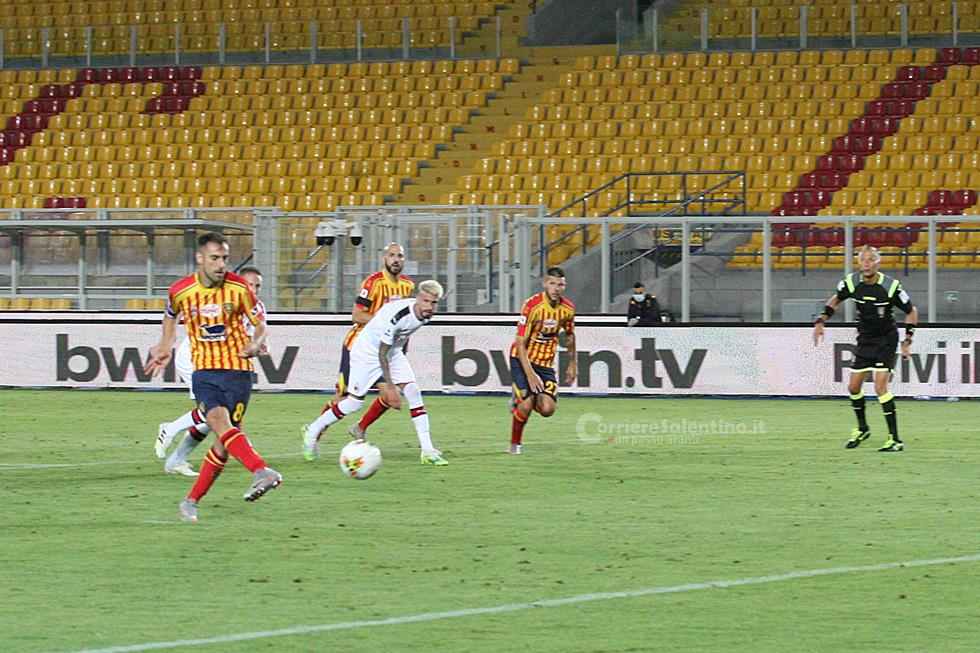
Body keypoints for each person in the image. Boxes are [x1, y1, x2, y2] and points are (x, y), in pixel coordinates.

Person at [144, 232, 282, 523]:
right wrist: (165, 344)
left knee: (223, 441)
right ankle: (261, 470)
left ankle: (191, 502)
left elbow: (260, 324)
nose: (221, 264)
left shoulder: (239, 287)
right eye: (215, 258)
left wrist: (256, 343)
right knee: (217, 421)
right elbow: (170, 314)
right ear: (200, 258)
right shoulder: (181, 290)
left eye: (225, 259)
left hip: (238, 372)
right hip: (204, 371)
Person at [301, 280, 448, 466]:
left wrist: (401, 368)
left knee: (413, 391)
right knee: (354, 403)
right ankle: (313, 430)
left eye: (434, 303)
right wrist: (391, 386)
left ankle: (427, 450)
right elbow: (381, 352)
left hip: (393, 352)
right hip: (368, 353)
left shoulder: (426, 314)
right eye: (426, 301)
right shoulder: (400, 316)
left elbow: (400, 339)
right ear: (418, 298)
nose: (430, 306)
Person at [302, 242, 414, 461]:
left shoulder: (407, 286)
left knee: (391, 396)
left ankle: (360, 427)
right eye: (392, 255)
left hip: (384, 351)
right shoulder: (373, 283)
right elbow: (357, 315)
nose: (396, 259)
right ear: (384, 258)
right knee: (344, 398)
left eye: (400, 256)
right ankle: (313, 433)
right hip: (359, 347)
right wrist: (383, 324)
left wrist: (399, 348)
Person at [154, 266, 267, 477]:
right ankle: (171, 431)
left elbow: (255, 332)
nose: (254, 289)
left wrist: (257, 344)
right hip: (196, 357)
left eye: (258, 286)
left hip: (222, 363)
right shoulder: (223, 296)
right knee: (215, 414)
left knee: (217, 417)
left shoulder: (256, 306)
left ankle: (177, 459)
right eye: (250, 284)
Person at [813, 245, 917, 452]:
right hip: (865, 340)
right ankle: (862, 428)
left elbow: (911, 311)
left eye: (870, 260)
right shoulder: (851, 282)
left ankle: (895, 439)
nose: (866, 264)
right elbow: (836, 299)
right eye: (863, 260)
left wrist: (907, 340)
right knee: (853, 388)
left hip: (886, 340)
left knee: (880, 388)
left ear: (878, 263)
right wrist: (821, 320)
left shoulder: (890, 286)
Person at [508, 267, 577, 455]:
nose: (556, 288)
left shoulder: (567, 309)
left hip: (545, 363)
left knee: (547, 409)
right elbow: (520, 342)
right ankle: (515, 444)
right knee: (527, 404)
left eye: (560, 284)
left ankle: (521, 398)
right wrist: (530, 374)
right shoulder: (532, 306)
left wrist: (572, 363)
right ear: (545, 284)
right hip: (521, 358)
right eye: (552, 283)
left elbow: (570, 335)